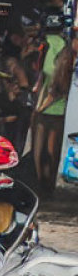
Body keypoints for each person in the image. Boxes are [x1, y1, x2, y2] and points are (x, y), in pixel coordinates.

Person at [32, 21, 77, 194]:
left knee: (41, 150)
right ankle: (46, 186)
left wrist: (40, 107)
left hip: (50, 109)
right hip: (58, 110)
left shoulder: (56, 50)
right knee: (50, 151)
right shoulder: (63, 50)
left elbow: (54, 86)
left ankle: (42, 186)